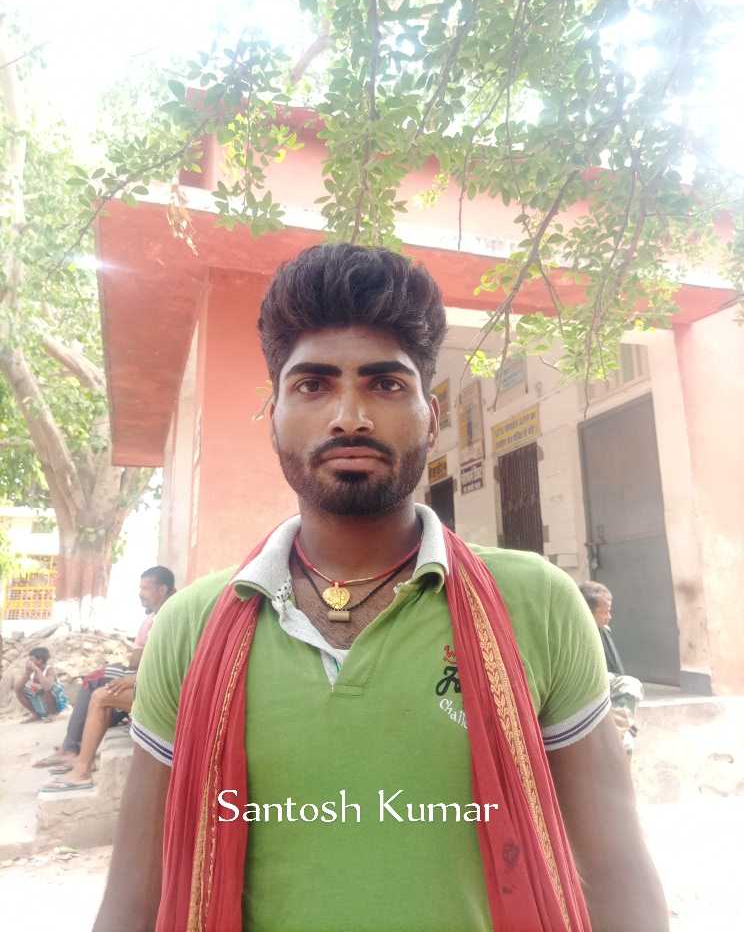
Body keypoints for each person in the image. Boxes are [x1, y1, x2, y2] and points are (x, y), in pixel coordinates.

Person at [94, 245, 668, 932]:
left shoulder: (536, 603)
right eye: (313, 385)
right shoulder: (192, 625)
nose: (350, 416)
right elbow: (134, 895)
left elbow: (614, 867)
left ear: (432, 415)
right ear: (273, 417)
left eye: (386, 384)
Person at [35, 567, 175, 787]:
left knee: (100, 692)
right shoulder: (158, 615)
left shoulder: (172, 613)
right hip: (151, 678)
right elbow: (143, 659)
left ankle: (79, 765)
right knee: (101, 687)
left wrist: (136, 678)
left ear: (162, 589)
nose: (140, 594)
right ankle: (74, 753)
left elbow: (169, 662)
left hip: (165, 688)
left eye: (145, 588)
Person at [580, 580, 644, 755]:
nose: (609, 616)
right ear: (587, 612)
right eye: (605, 612)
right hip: (586, 697)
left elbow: (616, 671)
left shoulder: (603, 631)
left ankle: (619, 733)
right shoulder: (575, 636)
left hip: (605, 695)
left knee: (629, 685)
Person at [13, 646, 68, 721]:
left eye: (31, 659)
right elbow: (17, 688)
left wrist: (37, 669)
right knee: (19, 690)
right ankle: (35, 714)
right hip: (41, 702)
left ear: (40, 660)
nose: (29, 662)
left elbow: (47, 687)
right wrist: (27, 673)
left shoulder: (49, 669)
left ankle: (52, 714)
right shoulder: (31, 672)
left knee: (48, 688)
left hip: (56, 704)